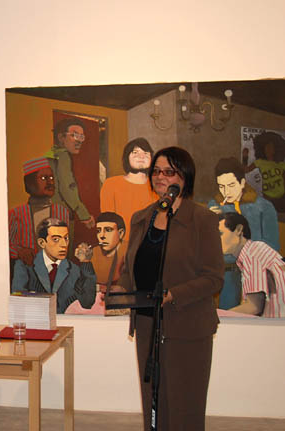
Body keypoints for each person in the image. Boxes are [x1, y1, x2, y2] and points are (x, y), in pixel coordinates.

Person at [118, 146, 224, 431]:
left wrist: (173, 295)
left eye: (169, 171)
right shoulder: (141, 218)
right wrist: (119, 290)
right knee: (153, 405)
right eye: (156, 171)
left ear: (184, 177)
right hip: (147, 324)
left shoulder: (202, 219)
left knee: (185, 407)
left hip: (187, 326)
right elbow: (131, 268)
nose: (160, 177)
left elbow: (214, 277)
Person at [208, 156, 279, 309]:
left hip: (259, 274)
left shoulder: (263, 207)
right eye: (221, 186)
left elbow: (273, 247)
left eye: (231, 185)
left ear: (242, 182)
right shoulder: (214, 206)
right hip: (227, 275)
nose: (226, 192)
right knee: (229, 317)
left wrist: (247, 253)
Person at [11, 217, 96, 313]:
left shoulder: (73, 270)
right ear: (42, 243)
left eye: (66, 238)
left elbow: (87, 302)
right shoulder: (25, 266)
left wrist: (85, 262)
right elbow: (18, 302)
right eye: (56, 239)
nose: (64, 244)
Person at [219, 212, 285, 318]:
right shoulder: (253, 251)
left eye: (220, 233)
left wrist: (220, 316)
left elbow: (254, 307)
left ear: (239, 230)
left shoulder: (253, 254)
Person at [8, 157, 71, 268]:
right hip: (25, 271)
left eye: (51, 177)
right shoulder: (16, 213)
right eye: (43, 178)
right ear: (30, 183)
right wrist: (19, 252)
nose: (50, 182)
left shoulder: (61, 211)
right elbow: (4, 244)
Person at [44, 117, 95, 229]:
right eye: (75, 135)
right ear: (61, 137)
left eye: (81, 137)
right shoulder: (63, 156)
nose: (79, 141)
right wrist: (84, 215)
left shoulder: (50, 154)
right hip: (59, 214)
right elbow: (67, 187)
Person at [100, 137, 157, 232]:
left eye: (146, 153)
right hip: (121, 239)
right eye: (135, 152)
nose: (141, 156)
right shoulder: (111, 184)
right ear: (127, 157)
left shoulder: (157, 186)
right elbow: (107, 221)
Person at [244, 131, 285, 212]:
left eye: (271, 147)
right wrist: (245, 158)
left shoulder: (281, 164)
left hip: (282, 197)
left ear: (276, 149)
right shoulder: (260, 162)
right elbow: (246, 170)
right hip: (268, 197)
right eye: (266, 147)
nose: (268, 150)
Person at [91, 212, 127, 293]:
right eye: (98, 231)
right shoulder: (93, 253)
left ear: (121, 233)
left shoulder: (129, 251)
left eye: (108, 230)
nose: (102, 236)